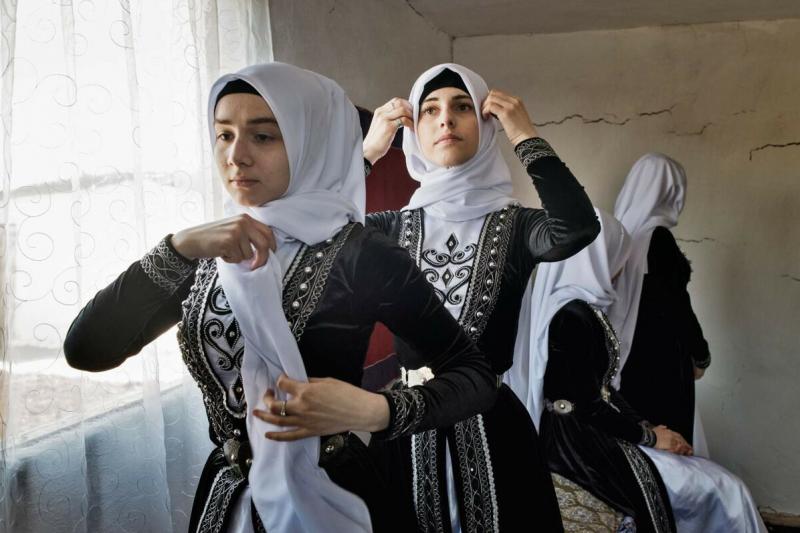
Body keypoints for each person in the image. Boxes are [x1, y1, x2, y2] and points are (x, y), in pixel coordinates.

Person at [64, 62, 500, 533]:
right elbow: (88, 349)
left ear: (309, 141)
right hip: (228, 502)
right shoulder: (210, 250)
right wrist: (178, 246)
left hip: (332, 499)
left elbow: (474, 376)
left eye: (263, 136)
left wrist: (377, 410)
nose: (236, 156)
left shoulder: (360, 252)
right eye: (223, 135)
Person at [363, 62, 599, 532]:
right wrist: (369, 150)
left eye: (462, 107)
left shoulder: (517, 225)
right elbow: (320, 236)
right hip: (406, 429)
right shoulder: (392, 228)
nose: (446, 120)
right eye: (430, 110)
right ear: (413, 131)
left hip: (493, 428)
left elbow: (576, 227)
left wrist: (525, 133)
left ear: (487, 124)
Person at [610, 153, 710, 443]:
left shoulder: (620, 233)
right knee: (668, 443)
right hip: (659, 361)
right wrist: (701, 355)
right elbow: (676, 305)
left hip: (625, 355)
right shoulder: (658, 239)